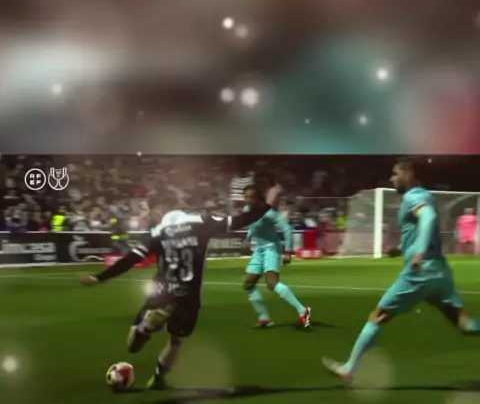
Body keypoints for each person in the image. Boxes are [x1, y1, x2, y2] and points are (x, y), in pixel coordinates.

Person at [78, 185, 282, 389]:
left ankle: (145, 327)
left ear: (158, 209)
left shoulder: (158, 232)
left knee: (132, 345)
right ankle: (158, 380)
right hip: (189, 296)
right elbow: (240, 220)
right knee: (176, 341)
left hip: (162, 291)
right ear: (176, 204)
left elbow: (131, 259)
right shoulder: (201, 222)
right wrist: (266, 206)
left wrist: (100, 278)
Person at [323, 158, 480, 382]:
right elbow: (421, 225)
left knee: (378, 316)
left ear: (410, 174)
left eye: (396, 173)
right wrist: (402, 248)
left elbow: (428, 217)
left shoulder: (413, 197)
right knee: (465, 324)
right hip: (440, 272)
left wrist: (419, 252)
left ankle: (349, 368)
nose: (392, 178)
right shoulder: (424, 195)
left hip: (420, 273)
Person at [243, 185, 311, 328]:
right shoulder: (246, 210)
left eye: (251, 197)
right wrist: (248, 238)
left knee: (271, 283)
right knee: (249, 284)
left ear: (258, 198)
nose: (248, 200)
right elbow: (252, 226)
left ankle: (302, 310)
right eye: (246, 197)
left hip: (271, 248)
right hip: (259, 250)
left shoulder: (269, 214)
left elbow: (287, 229)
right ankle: (264, 317)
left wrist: (288, 251)